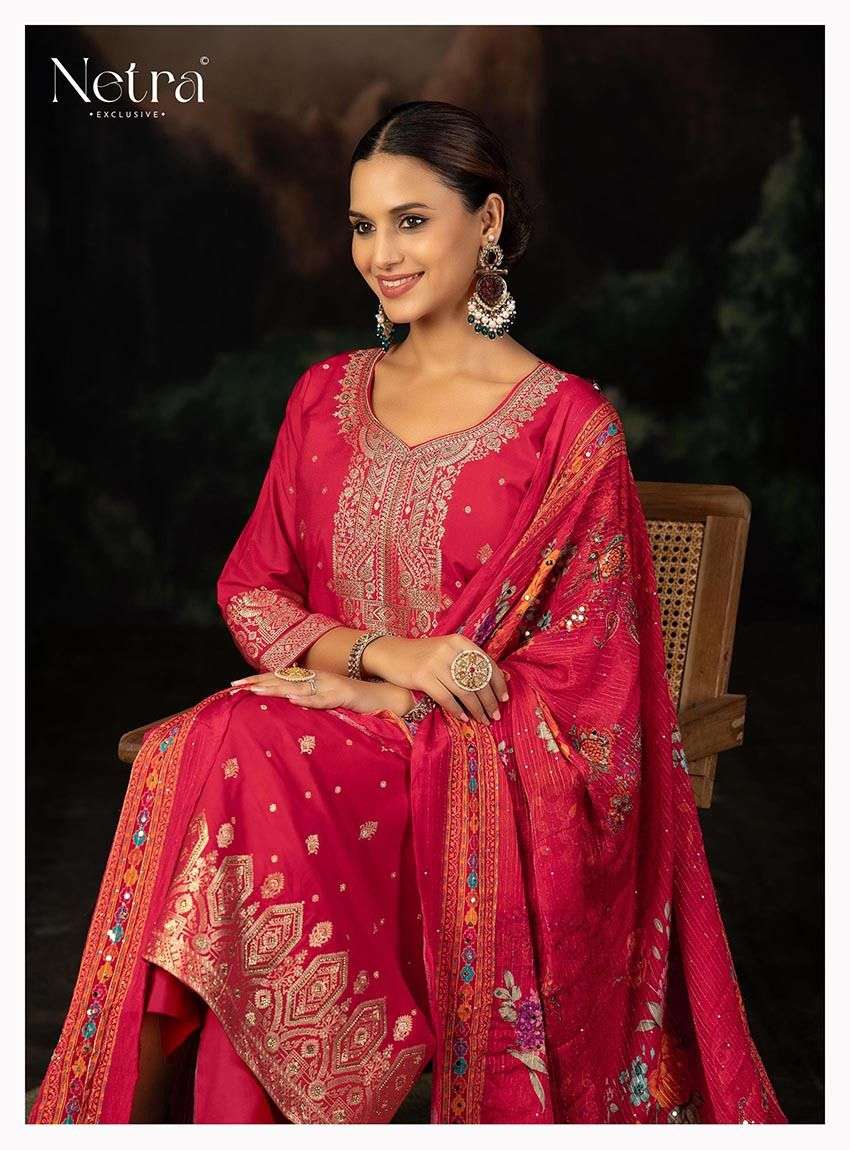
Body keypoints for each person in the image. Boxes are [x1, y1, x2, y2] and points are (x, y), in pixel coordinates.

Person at [28, 99, 787, 1125]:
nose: (380, 254)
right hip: (310, 742)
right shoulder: (323, 395)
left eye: (412, 220)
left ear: (488, 220)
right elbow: (251, 587)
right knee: (228, 749)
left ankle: (117, 1116)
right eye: (362, 225)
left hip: (468, 774)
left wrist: (392, 704)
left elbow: (593, 697)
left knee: (223, 747)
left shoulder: (570, 430)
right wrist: (384, 659)